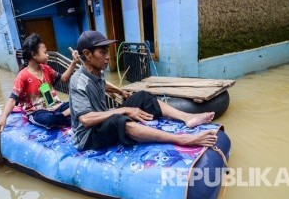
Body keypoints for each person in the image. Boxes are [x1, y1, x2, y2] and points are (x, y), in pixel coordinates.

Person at [69, 30, 219, 151]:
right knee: (118, 119)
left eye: (108, 51)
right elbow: (86, 120)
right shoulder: (77, 81)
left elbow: (103, 85)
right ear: (87, 54)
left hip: (102, 122)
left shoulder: (97, 72)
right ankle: (182, 138)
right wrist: (124, 110)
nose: (108, 57)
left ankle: (187, 117)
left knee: (142, 96)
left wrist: (120, 92)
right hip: (88, 136)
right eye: (103, 53)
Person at [0, 33, 80, 135]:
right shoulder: (22, 76)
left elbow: (63, 78)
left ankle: (64, 115)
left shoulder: (46, 69)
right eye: (45, 52)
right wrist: (2, 120)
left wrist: (73, 63)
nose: (47, 55)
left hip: (56, 106)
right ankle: (69, 116)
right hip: (38, 112)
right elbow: (12, 100)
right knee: (49, 119)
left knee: (80, 101)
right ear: (34, 55)